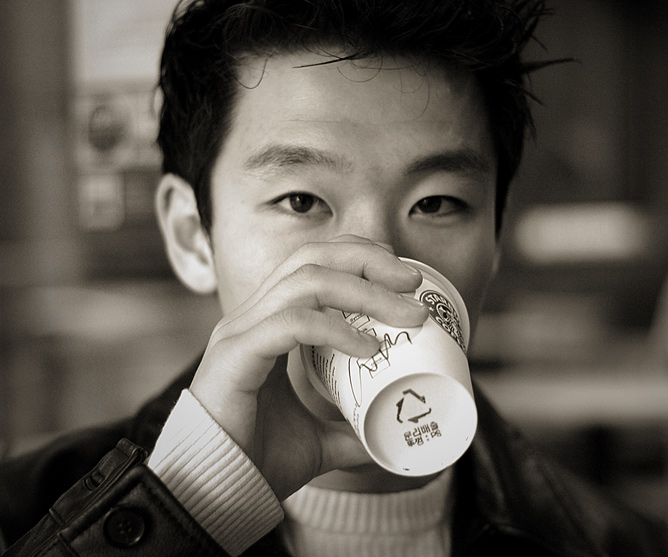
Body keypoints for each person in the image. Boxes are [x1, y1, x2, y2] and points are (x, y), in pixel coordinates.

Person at [1, 0, 667, 555]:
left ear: (496, 236)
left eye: (436, 203)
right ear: (191, 235)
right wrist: (186, 505)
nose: (374, 263)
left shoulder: (614, 542)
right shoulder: (27, 516)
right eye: (301, 201)